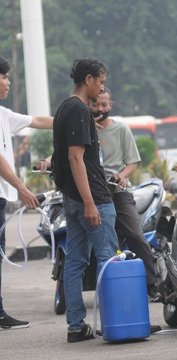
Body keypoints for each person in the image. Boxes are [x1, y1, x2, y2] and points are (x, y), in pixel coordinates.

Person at [51, 58, 119, 343]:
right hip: (92, 199)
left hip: (71, 199)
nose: (102, 88)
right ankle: (118, 323)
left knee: (75, 263)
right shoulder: (79, 109)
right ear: (89, 79)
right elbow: (75, 158)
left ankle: (76, 326)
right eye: (101, 82)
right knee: (108, 260)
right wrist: (90, 203)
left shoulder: (64, 108)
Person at [88, 87, 161, 302]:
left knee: (136, 235)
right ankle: (109, 288)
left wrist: (121, 176)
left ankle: (152, 283)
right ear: (89, 105)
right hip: (92, 193)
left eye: (104, 105)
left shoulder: (121, 129)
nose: (100, 109)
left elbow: (133, 162)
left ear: (110, 105)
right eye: (96, 105)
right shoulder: (84, 129)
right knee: (99, 244)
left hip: (117, 191)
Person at [0, 56, 53, 330]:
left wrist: (73, 119)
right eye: (4, 76)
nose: (8, 81)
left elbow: (38, 121)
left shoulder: (4, 115)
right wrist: (22, 188)